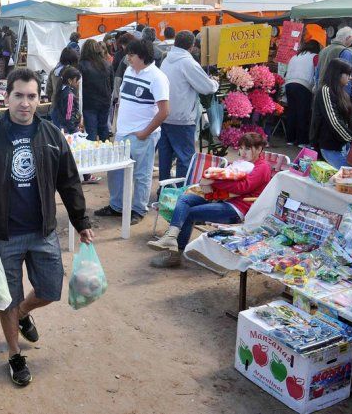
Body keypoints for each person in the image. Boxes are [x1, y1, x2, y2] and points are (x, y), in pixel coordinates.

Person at [0, 68, 94, 387]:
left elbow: (69, 181)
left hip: (43, 230)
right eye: (18, 96)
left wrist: (81, 221)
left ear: (39, 99)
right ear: (6, 98)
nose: (25, 103)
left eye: (31, 96)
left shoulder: (51, 135)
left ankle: (22, 312)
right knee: (5, 298)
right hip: (3, 233)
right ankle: (13, 354)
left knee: (50, 289)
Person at [147, 132, 271, 267]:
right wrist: (208, 181)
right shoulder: (242, 163)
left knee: (190, 213)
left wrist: (211, 182)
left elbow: (242, 187)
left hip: (237, 208)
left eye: (247, 149)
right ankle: (171, 236)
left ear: (259, 149)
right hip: (220, 199)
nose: (243, 152)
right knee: (184, 199)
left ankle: (175, 256)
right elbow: (222, 175)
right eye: (241, 148)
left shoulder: (262, 167)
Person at [94, 39, 170, 225]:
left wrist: (145, 132)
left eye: (131, 55)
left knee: (141, 174)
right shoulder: (129, 70)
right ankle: (117, 206)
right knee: (116, 172)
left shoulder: (157, 77)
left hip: (142, 135)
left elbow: (164, 112)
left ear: (142, 56)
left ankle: (138, 209)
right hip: (122, 132)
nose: (127, 58)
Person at [159, 30, 219, 183]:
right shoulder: (188, 62)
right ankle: (179, 193)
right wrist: (215, 82)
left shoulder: (166, 59)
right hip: (182, 118)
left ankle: (163, 190)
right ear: (192, 46)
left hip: (164, 115)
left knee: (165, 157)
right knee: (185, 158)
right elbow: (207, 87)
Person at [312, 59, 352, 169]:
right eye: (348, 74)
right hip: (330, 146)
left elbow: (347, 116)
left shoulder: (342, 92)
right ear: (337, 74)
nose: (350, 78)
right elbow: (334, 121)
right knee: (347, 177)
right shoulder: (325, 91)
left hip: (342, 145)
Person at [284, 40, 321, 146]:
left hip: (289, 84)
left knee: (291, 112)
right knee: (303, 113)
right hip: (303, 85)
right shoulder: (315, 56)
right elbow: (317, 72)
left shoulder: (295, 57)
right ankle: (302, 141)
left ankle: (290, 139)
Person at [79, 39, 114, 143]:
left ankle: (91, 156)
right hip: (105, 102)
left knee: (91, 132)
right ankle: (106, 153)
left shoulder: (81, 65)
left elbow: (79, 87)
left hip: (89, 104)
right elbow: (111, 84)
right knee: (104, 129)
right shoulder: (107, 64)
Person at [45, 47, 80, 119]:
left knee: (57, 129)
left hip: (56, 107)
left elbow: (49, 90)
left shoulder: (54, 71)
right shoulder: (74, 73)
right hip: (70, 109)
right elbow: (77, 92)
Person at [53, 66, 82, 134]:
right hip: (67, 129)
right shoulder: (70, 95)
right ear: (70, 81)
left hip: (61, 125)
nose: (78, 83)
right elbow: (69, 115)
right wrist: (74, 130)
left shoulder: (61, 89)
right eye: (76, 80)